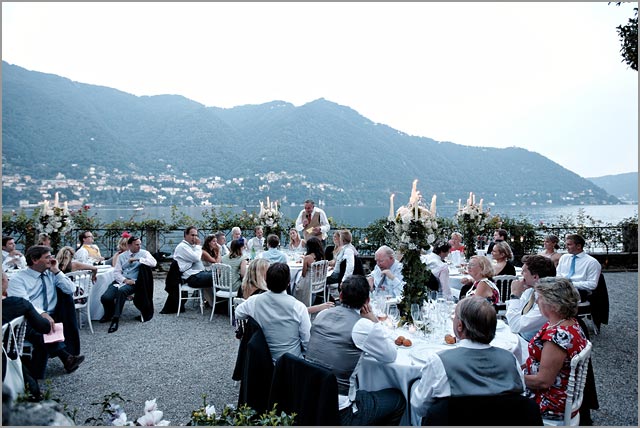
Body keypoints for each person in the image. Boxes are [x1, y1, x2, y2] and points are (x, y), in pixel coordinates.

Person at [305, 275, 406, 426]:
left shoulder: (322, 314)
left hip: (309, 398)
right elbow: (390, 355)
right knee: (398, 399)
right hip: (340, 412)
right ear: (367, 301)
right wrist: (374, 320)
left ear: (340, 295)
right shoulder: (363, 326)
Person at [411, 296, 524, 424]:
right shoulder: (511, 360)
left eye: (454, 316)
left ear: (460, 326)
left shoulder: (439, 362)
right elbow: (520, 400)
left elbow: (419, 407)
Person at [6, 245, 85, 378]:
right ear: (35, 260)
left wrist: (57, 271)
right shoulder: (18, 279)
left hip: (56, 315)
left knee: (45, 330)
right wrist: (42, 314)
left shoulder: (52, 274)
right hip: (28, 318)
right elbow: (23, 303)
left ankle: (37, 374)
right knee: (41, 331)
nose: (52, 259)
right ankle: (65, 358)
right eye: (48, 257)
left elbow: (70, 290)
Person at [524, 277, 588, 421]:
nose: (536, 302)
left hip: (550, 401)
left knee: (495, 397)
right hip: (558, 392)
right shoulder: (568, 323)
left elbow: (543, 381)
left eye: (539, 298)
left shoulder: (557, 338)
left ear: (553, 305)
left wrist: (511, 378)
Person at [235, 262, 311, 363]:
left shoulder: (254, 301)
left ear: (266, 280)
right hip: (290, 363)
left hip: (261, 360)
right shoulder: (298, 307)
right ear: (288, 282)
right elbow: (307, 341)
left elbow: (238, 314)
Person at [2, 271, 51, 401]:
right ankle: (33, 393)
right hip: (9, 352)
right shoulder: (18, 303)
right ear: (4, 282)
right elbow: (44, 328)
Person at [505, 254, 557, 363]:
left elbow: (515, 326)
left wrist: (514, 295)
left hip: (533, 348)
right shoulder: (530, 291)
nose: (521, 275)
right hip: (520, 337)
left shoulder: (547, 302)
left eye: (524, 272)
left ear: (535, 277)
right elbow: (514, 316)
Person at [100, 236, 157, 333]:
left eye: (140, 244)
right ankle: (109, 313)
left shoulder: (144, 253)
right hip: (122, 281)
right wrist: (124, 280)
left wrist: (138, 259)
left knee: (122, 292)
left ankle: (115, 319)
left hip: (135, 282)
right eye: (137, 244)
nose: (139, 246)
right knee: (105, 297)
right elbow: (116, 272)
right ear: (129, 245)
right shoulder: (122, 256)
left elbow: (153, 263)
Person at [172, 227, 214, 305]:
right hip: (191, 277)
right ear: (186, 235)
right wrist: (198, 245)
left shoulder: (190, 246)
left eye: (196, 235)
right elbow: (196, 258)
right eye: (192, 235)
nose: (194, 237)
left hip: (197, 274)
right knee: (217, 277)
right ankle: (218, 304)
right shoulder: (182, 247)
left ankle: (214, 302)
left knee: (217, 275)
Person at [556, 234, 601, 301]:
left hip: (579, 291)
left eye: (569, 245)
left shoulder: (592, 262)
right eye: (566, 244)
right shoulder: (564, 258)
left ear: (578, 246)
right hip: (561, 288)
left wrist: (570, 284)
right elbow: (558, 274)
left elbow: (592, 284)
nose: (566, 247)